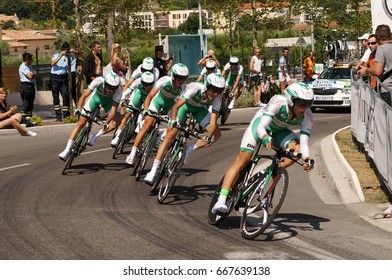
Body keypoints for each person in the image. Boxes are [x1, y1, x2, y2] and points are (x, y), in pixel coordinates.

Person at [211, 82, 314, 214]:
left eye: (307, 104)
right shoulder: (278, 101)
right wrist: (265, 137)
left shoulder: (308, 116)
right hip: (261, 125)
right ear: (290, 100)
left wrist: (306, 159)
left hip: (280, 131)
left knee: (296, 153)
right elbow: (261, 127)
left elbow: (304, 143)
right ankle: (221, 199)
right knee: (244, 158)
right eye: (300, 104)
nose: (303, 109)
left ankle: (266, 173)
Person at [144, 73, 226, 184]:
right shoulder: (195, 89)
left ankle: (187, 150)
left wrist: (209, 136)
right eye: (213, 90)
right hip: (184, 106)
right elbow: (176, 106)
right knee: (170, 136)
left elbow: (213, 121)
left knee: (217, 134)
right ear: (206, 87)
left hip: (199, 110)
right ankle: (153, 170)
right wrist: (173, 120)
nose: (215, 94)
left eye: (219, 91)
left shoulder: (218, 98)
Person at [125, 63, 189, 166]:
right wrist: (145, 110)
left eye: (183, 79)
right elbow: (149, 96)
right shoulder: (164, 80)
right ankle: (132, 153)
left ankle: (159, 139)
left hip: (170, 105)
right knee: (147, 124)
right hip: (157, 101)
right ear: (173, 76)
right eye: (178, 78)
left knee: (175, 124)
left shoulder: (183, 87)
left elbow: (180, 105)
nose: (180, 81)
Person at [58, 72, 120, 161]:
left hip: (109, 103)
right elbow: (83, 96)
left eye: (114, 88)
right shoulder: (98, 81)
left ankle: (95, 136)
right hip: (96, 99)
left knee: (116, 122)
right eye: (109, 87)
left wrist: (106, 122)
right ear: (104, 83)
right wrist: (78, 109)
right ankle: (67, 149)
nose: (111, 90)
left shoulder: (119, 91)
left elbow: (113, 112)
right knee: (81, 123)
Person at [111, 72, 156, 147]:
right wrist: (122, 101)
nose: (147, 86)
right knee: (127, 115)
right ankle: (118, 136)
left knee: (145, 116)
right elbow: (125, 93)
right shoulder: (137, 82)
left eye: (149, 84)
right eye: (145, 84)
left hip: (148, 100)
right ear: (141, 81)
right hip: (138, 96)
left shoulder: (155, 86)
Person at [358, 24, 392, 106]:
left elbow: (378, 71)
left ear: (378, 37)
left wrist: (367, 70)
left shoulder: (381, 49)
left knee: (386, 118)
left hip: (387, 90)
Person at [50, 42, 71, 122]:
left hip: (64, 77)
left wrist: (71, 52)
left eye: (67, 49)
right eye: (64, 49)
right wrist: (60, 55)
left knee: (65, 96)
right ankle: (58, 116)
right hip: (55, 77)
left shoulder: (69, 56)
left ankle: (66, 116)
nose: (66, 51)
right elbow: (52, 63)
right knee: (56, 98)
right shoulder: (57, 54)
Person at [19, 52, 37, 126]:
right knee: (26, 104)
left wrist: (33, 74)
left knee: (30, 104)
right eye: (30, 59)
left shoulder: (29, 66)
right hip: (26, 86)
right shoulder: (23, 67)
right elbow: (30, 76)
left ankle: (29, 120)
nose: (31, 61)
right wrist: (33, 74)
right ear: (27, 59)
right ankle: (23, 120)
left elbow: (35, 73)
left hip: (31, 86)